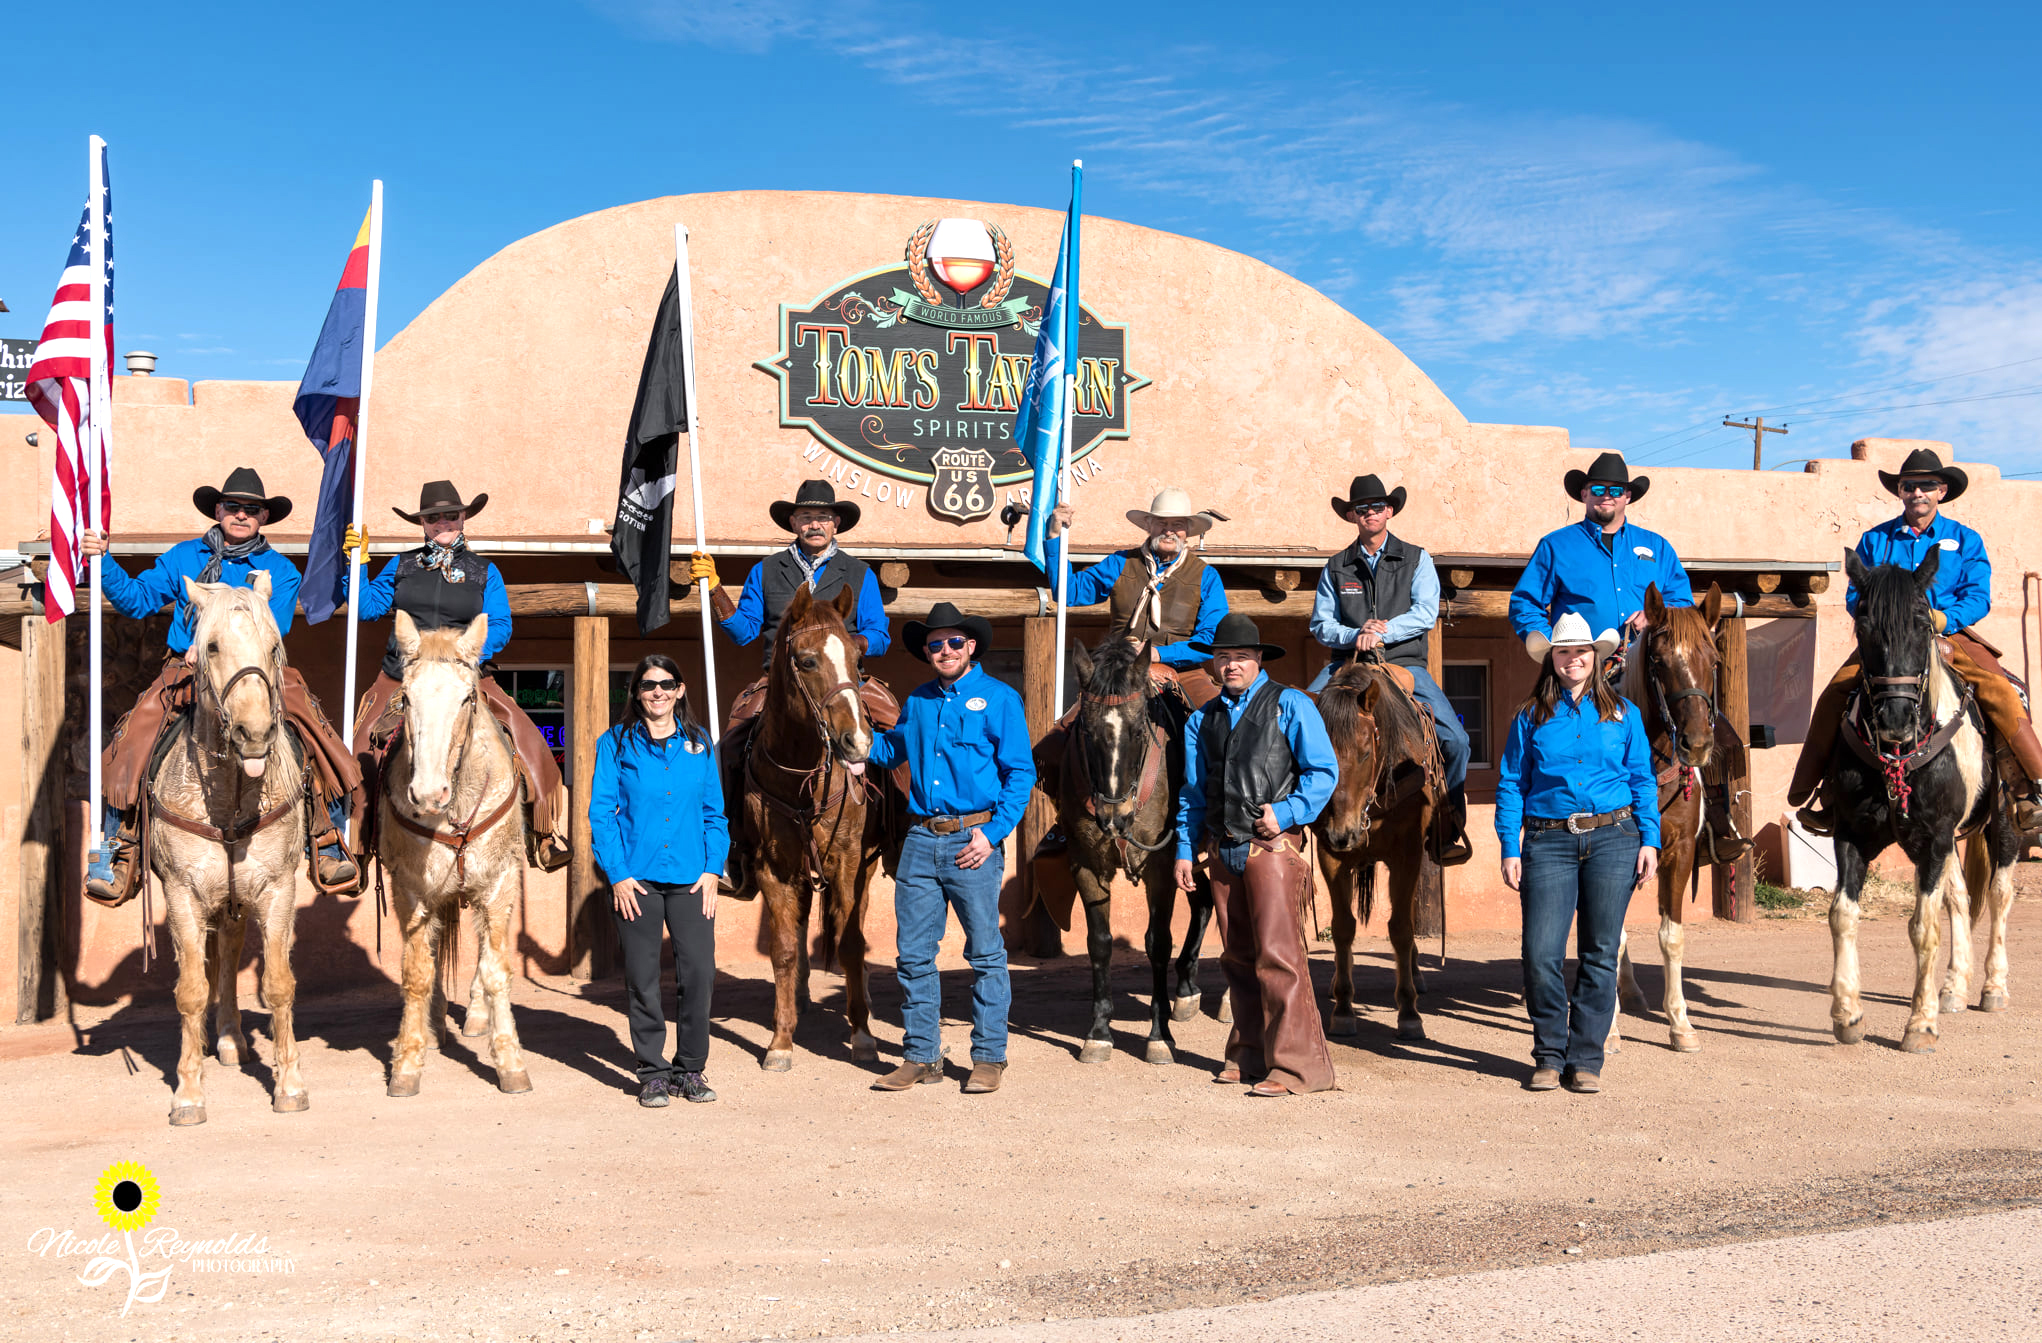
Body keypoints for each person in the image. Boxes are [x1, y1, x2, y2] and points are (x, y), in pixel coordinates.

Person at [80, 468, 361, 905]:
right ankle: (120, 850)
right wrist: (104, 559)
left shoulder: (281, 571)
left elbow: (273, 627)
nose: (242, 515)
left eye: (252, 509)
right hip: (187, 669)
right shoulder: (183, 556)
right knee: (132, 735)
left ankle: (325, 840)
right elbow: (136, 600)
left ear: (264, 516)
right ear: (218, 510)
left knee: (313, 732)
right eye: (234, 506)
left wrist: (219, 644)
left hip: (256, 669)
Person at [1510, 451, 1748, 864]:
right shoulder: (1556, 546)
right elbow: (1526, 604)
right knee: (1548, 731)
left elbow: (1680, 601)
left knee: (1714, 727)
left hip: (1648, 661)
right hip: (1586, 670)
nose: (1606, 496)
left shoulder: (1656, 547)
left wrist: (1656, 617)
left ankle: (1719, 823)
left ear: (1627, 498)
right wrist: (1555, 646)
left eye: (1615, 490)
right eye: (1598, 489)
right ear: (1584, 494)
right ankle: (1547, 828)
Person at [1789, 448, 2042, 834]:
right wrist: (1878, 619)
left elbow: (1979, 595)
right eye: (1909, 486)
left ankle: (2029, 789)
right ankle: (1822, 793)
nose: (1917, 493)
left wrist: (1944, 617)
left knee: (2002, 691)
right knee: (1835, 693)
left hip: (1951, 635)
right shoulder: (1875, 540)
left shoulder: (1965, 539)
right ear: (1900, 493)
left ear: (1941, 490)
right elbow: (1856, 597)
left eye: (1926, 485)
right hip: (1890, 642)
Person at [340, 481, 570, 869]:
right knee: (360, 750)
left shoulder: (485, 571)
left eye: (451, 515)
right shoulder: (401, 564)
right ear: (423, 524)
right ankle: (355, 847)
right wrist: (357, 564)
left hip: (467, 675)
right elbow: (366, 607)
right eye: (433, 517)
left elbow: (499, 623)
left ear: (464, 519)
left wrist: (467, 653)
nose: (442, 522)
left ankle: (544, 833)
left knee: (528, 739)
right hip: (403, 676)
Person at [686, 479, 895, 896]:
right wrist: (714, 589)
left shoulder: (859, 573)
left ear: (836, 523)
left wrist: (843, 649)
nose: (814, 524)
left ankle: (900, 834)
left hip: (844, 678)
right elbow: (745, 631)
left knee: (897, 729)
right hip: (779, 681)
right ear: (793, 522)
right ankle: (733, 852)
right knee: (728, 747)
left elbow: (880, 632)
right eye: (805, 517)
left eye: (822, 517)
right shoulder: (765, 570)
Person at [864, 602, 1034, 1096]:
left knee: (985, 954)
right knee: (914, 955)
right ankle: (921, 1055)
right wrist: (851, 744)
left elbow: (1019, 773)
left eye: (953, 642)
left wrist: (993, 833)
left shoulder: (1000, 698)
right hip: (920, 840)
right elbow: (890, 751)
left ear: (971, 647)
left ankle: (988, 1057)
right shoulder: (917, 701)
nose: (944, 650)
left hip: (974, 839)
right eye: (935, 644)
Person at [1495, 612, 1661, 1095]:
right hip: (1547, 842)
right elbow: (1510, 783)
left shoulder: (1624, 714)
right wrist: (1511, 847)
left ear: (1597, 657)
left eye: (1581, 651)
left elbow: (1641, 781)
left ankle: (1586, 1059)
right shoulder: (1530, 716)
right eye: (1564, 651)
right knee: (1540, 953)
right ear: (1552, 659)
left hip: (1615, 838)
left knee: (1600, 952)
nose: (1573, 659)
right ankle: (1548, 1055)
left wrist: (1648, 839)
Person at [1173, 613, 1339, 1098]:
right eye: (1222, 657)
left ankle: (1298, 1069)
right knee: (1238, 958)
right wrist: (1185, 849)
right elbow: (1191, 792)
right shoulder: (1200, 719)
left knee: (1279, 957)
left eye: (1240, 656)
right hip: (1222, 849)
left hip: (1272, 847)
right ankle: (1247, 1055)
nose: (1230, 665)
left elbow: (1322, 772)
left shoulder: (1290, 703)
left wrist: (1287, 812)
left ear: (1258, 659)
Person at [1309, 472, 1472, 863]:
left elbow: (1425, 612)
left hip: (1404, 663)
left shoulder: (1417, 558)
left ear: (1390, 511)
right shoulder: (1335, 566)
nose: (1369, 514)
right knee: (1290, 719)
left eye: (1377, 507)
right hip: (1344, 664)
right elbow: (1320, 623)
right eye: (1361, 509)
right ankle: (1292, 822)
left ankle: (1448, 826)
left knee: (1457, 740)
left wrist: (1381, 631)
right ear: (1352, 516)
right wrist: (1354, 636)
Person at [589, 654, 728, 1108]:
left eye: (667, 684)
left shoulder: (701, 743)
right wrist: (618, 875)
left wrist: (713, 869)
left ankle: (690, 1069)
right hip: (637, 881)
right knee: (642, 978)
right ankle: (651, 1070)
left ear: (681, 690)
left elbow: (714, 815)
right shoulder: (614, 744)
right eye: (649, 685)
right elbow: (601, 814)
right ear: (636, 692)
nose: (658, 693)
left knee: (699, 975)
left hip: (692, 880)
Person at [1040, 485, 1228, 708]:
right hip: (1118, 669)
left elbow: (1209, 641)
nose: (1169, 531)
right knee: (1069, 729)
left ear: (1187, 530)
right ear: (1149, 525)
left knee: (1215, 718)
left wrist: (1159, 654)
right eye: (1162, 522)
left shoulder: (1206, 576)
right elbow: (1069, 592)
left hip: (1182, 671)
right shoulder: (1120, 563)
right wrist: (1054, 536)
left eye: (1177, 524)